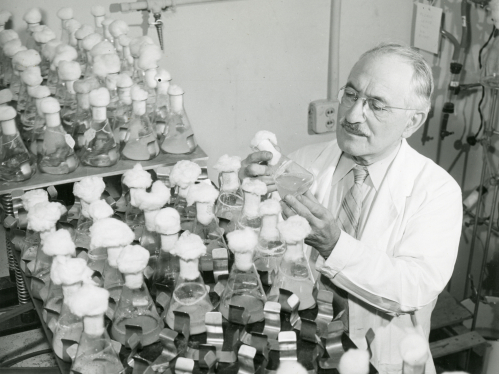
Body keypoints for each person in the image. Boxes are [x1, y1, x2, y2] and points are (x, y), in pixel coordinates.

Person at [240, 43, 462, 374]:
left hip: (383, 360)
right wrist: (247, 193)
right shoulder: (304, 162)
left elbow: (414, 287)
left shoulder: (436, 191)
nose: (353, 115)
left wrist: (334, 245)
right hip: (298, 347)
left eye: (377, 106)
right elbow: (254, 257)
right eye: (351, 95)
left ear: (412, 122)